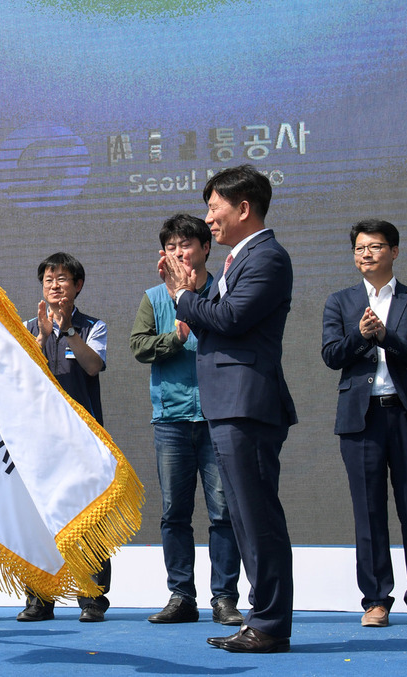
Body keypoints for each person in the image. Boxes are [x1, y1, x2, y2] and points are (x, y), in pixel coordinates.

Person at [159, 165, 297, 653]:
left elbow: (232, 319)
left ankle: (271, 624)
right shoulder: (239, 262)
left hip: (248, 404)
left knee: (258, 517)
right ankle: (261, 619)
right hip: (227, 404)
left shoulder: (267, 258)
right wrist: (193, 295)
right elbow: (213, 326)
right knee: (243, 517)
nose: (208, 219)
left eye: (214, 208)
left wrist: (184, 295)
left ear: (243, 208)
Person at [130, 214, 242, 626]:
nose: (180, 253)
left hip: (218, 416)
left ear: (206, 248)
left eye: (188, 245)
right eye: (172, 247)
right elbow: (139, 347)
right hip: (172, 419)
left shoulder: (225, 290)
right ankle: (181, 596)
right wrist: (173, 339)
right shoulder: (154, 297)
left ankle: (224, 598)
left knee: (223, 512)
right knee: (175, 512)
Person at [321, 219, 407, 630]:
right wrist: (362, 336)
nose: (366, 254)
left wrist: (386, 337)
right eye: (359, 248)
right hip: (360, 417)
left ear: (395, 251)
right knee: (368, 512)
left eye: (375, 246)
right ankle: (376, 600)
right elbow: (332, 354)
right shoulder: (340, 301)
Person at [19, 252, 112, 623]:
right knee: (41, 518)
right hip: (39, 441)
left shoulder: (93, 326)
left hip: (84, 439)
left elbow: (92, 365)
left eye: (62, 280)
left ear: (78, 285)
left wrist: (69, 330)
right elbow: (23, 377)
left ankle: (92, 599)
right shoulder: (28, 326)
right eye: (49, 281)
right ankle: (40, 598)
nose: (55, 287)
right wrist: (42, 337)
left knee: (89, 517)